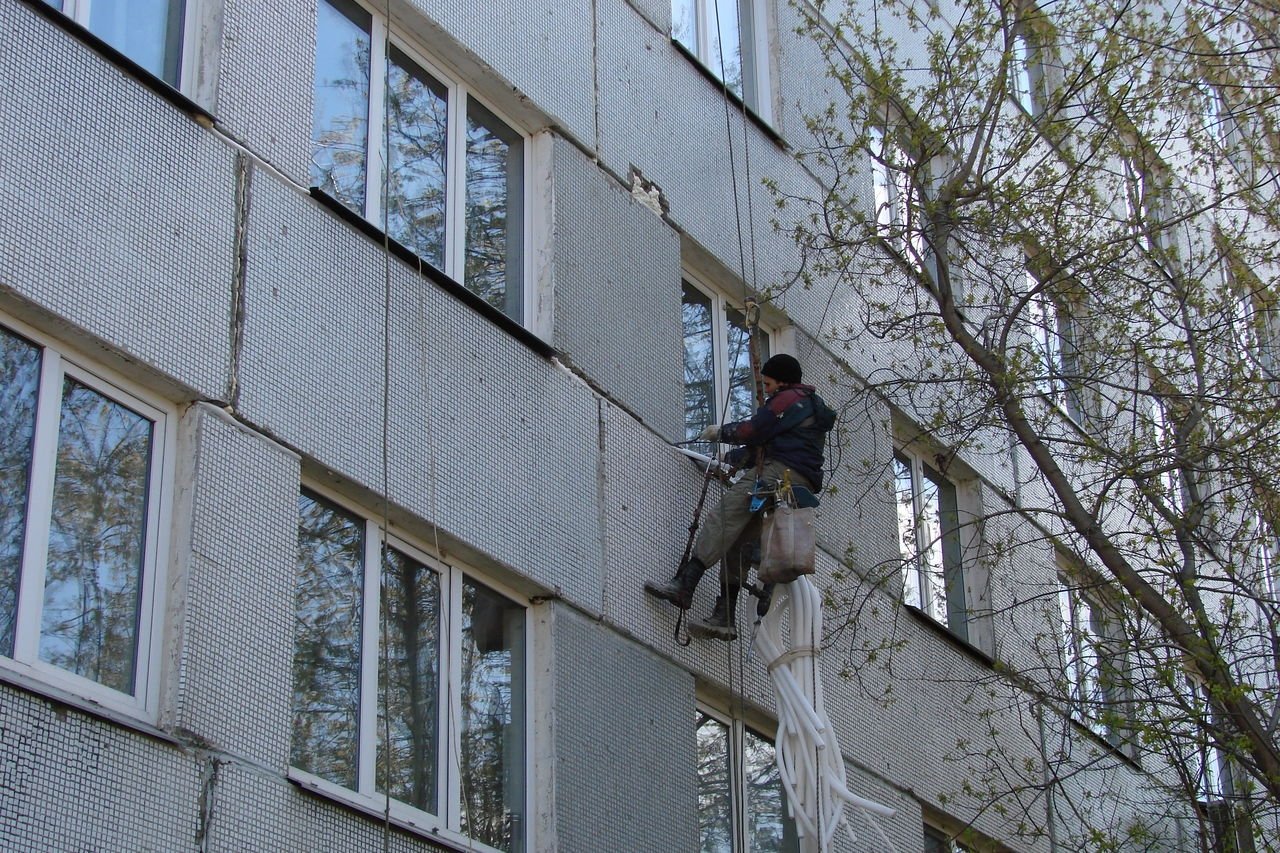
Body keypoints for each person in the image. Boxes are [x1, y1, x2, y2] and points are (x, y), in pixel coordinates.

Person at [645, 353, 836, 640]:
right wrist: (726, 458)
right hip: (791, 487)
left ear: (782, 380)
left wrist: (721, 432)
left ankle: (685, 585)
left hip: (776, 476)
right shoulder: (805, 411)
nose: (767, 389)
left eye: (769, 383)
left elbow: (755, 431)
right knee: (738, 542)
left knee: (722, 518)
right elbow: (765, 446)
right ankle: (725, 617)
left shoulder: (789, 398)